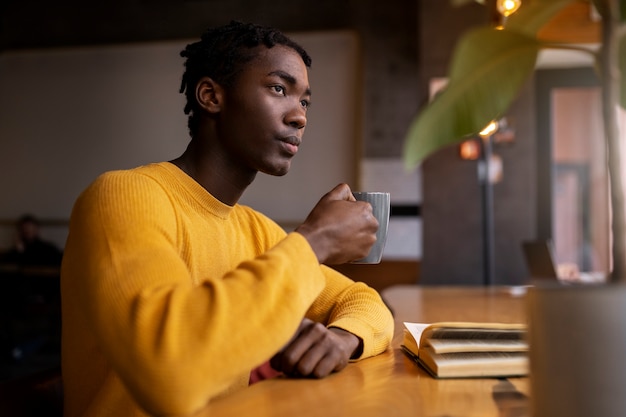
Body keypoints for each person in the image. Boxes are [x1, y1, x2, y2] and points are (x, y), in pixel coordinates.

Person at [60, 21, 394, 417]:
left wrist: (343, 339)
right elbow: (169, 371)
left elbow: (363, 301)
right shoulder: (122, 197)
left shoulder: (254, 229)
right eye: (278, 88)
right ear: (211, 96)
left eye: (304, 102)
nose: (299, 117)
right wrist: (315, 241)